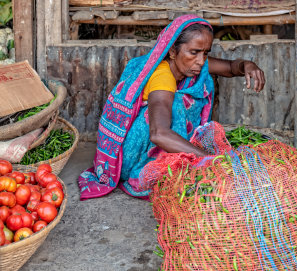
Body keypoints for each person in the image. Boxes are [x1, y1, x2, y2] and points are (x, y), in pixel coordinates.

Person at [78, 14, 265, 201]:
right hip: (135, 158)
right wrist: (210, 159)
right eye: (194, 52)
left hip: (153, 142)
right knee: (176, 103)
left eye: (205, 53)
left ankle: (181, 155)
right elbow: (159, 133)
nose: (201, 61)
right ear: (173, 52)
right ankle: (157, 165)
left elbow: (232, 67)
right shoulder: (163, 78)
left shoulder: (192, 65)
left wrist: (247, 65)